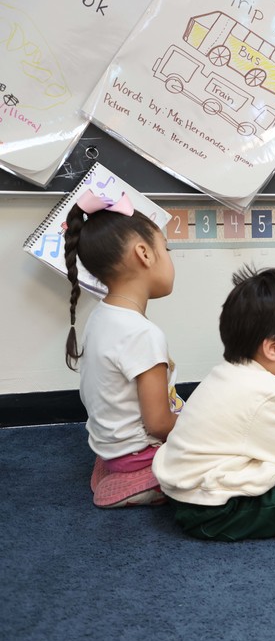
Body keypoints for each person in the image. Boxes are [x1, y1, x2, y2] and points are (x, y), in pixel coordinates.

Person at [153, 266, 275, 541]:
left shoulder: (227, 372)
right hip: (211, 512)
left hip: (182, 490)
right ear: (273, 348)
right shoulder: (265, 393)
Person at [64, 189, 180, 509]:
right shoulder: (142, 333)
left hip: (110, 447)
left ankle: (115, 467)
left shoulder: (102, 316)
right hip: (138, 452)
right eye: (166, 249)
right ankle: (145, 480)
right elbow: (158, 424)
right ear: (144, 253)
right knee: (224, 449)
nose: (170, 258)